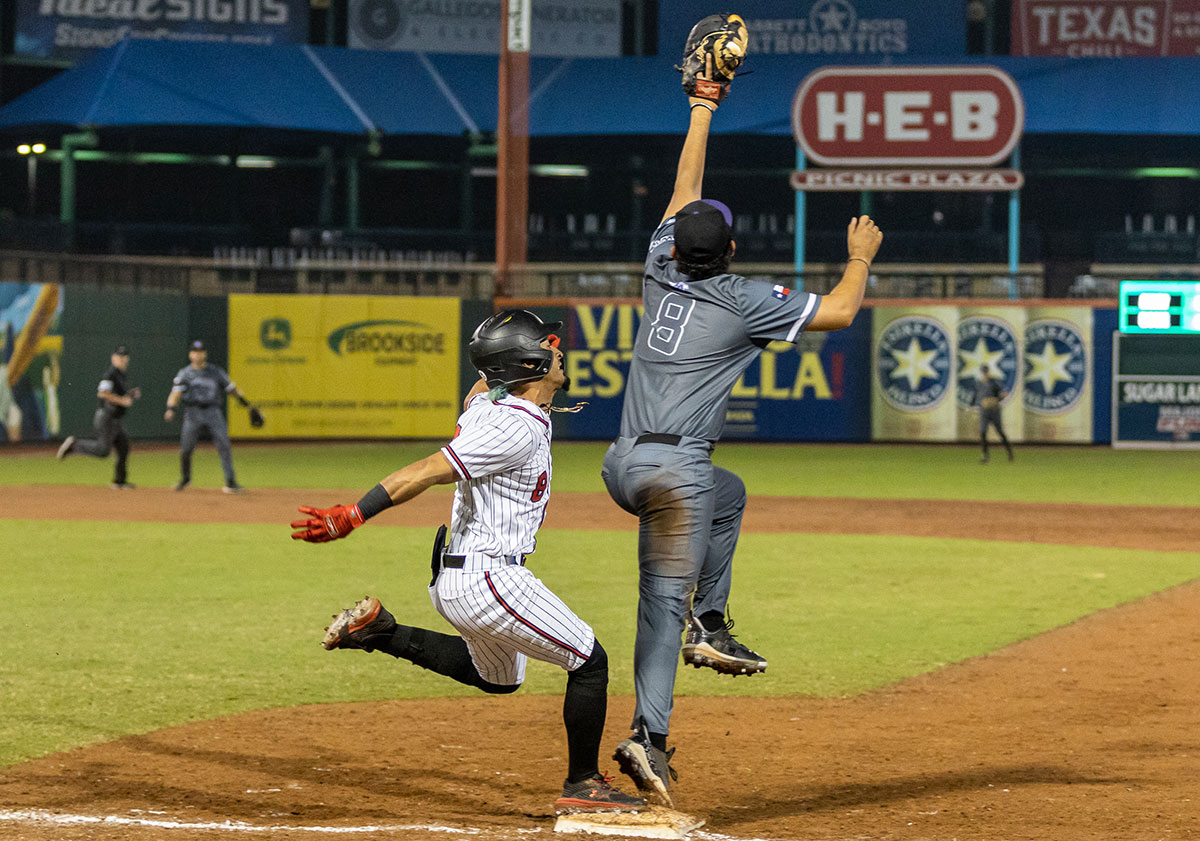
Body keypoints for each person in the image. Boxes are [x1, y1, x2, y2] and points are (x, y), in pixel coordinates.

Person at [600, 72, 883, 807]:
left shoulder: (660, 267)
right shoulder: (743, 299)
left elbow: (681, 189)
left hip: (622, 459)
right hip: (675, 473)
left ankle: (712, 618)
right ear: (731, 246)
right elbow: (845, 310)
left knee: (732, 494)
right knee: (660, 604)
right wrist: (860, 254)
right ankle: (650, 736)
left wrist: (701, 105)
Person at [290, 310, 645, 814]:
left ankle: (381, 632)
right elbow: (428, 470)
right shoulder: (510, 427)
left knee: (499, 679)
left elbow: (480, 388)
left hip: (464, 575)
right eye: (548, 343)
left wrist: (499, 365)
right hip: (490, 576)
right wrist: (353, 513)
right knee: (589, 661)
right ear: (529, 360)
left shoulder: (487, 405)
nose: (558, 349)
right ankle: (583, 784)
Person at [164, 340, 248, 493]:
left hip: (213, 412)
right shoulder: (184, 374)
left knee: (224, 445)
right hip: (192, 412)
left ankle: (230, 481)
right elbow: (175, 393)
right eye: (195, 352)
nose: (198, 354)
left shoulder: (215, 372)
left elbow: (231, 388)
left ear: (205, 354)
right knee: (186, 449)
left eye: (201, 351)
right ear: (190, 355)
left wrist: (244, 401)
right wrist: (170, 408)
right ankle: (186, 478)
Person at [56, 345, 140, 489]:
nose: (122, 359)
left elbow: (117, 394)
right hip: (107, 417)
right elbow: (102, 393)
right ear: (113, 358)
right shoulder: (110, 374)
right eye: (119, 357)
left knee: (123, 446)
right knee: (103, 451)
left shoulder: (121, 375)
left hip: (116, 419)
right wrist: (122, 400)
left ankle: (119, 481)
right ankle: (74, 445)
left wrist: (130, 394)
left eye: (124, 356)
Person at [975, 365, 1014, 463]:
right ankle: (985, 455)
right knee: (983, 432)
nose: (984, 373)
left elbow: (1004, 393)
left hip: (994, 410)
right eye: (983, 372)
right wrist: (975, 405)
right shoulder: (979, 383)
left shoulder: (994, 382)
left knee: (1000, 432)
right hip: (984, 410)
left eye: (985, 371)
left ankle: (1009, 452)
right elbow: (977, 396)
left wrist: (996, 400)